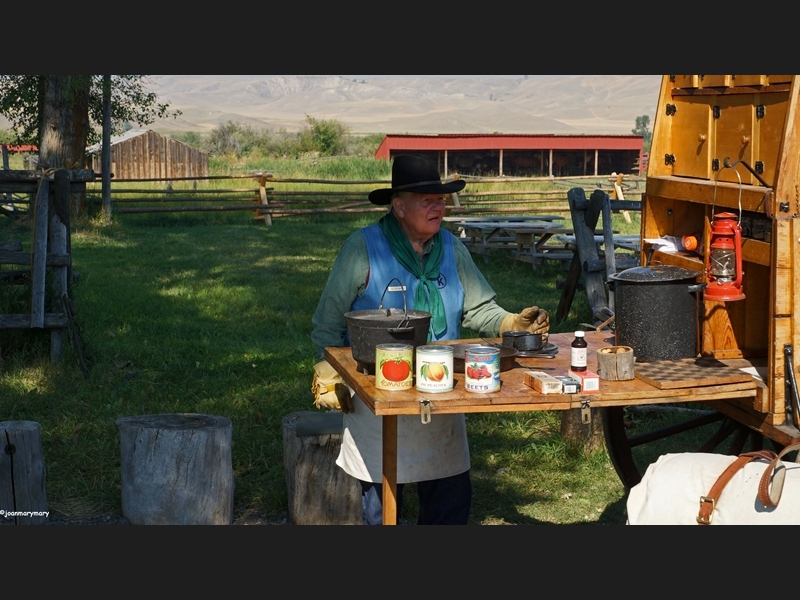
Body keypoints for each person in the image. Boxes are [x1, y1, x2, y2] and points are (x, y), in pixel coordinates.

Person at [310, 154, 550, 525]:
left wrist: (511, 322)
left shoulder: (452, 250)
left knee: (449, 502)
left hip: (441, 389)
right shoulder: (362, 249)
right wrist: (331, 370)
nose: (439, 206)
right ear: (399, 207)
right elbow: (327, 323)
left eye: (440, 199)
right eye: (427, 200)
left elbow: (478, 310)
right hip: (378, 393)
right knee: (380, 509)